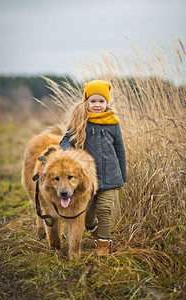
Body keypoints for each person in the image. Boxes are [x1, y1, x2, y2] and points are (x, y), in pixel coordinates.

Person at [60, 79, 127, 255]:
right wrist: (70, 152)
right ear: (86, 102)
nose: (97, 105)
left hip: (111, 175)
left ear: (107, 103)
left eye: (101, 101)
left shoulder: (113, 123)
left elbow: (120, 150)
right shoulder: (80, 121)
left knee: (105, 209)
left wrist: (122, 177)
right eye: (93, 101)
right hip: (87, 178)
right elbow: (65, 140)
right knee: (87, 215)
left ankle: (103, 245)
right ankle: (93, 229)